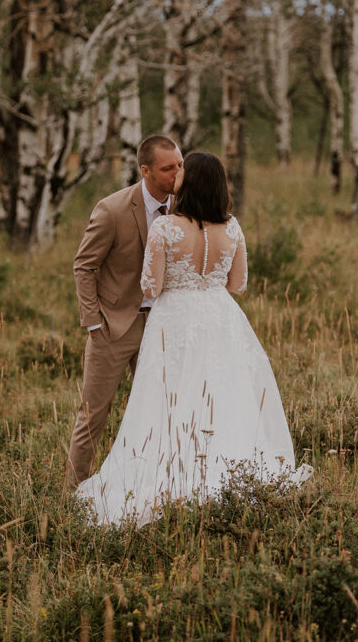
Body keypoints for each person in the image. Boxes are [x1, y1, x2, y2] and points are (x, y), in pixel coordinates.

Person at [75, 151, 313, 525]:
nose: (177, 172)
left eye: (183, 169)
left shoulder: (166, 228)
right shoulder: (232, 228)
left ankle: (168, 479)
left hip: (174, 321)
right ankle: (229, 481)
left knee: (166, 402)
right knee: (223, 399)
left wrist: (176, 279)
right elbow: (239, 284)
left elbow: (150, 284)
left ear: (191, 181)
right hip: (221, 320)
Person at [66, 134, 184, 489]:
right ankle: (72, 492)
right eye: (168, 168)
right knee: (93, 416)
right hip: (113, 328)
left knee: (162, 411)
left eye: (180, 164)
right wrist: (92, 324)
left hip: (161, 326)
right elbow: (84, 267)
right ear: (145, 171)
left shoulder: (183, 207)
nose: (177, 173)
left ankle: (154, 487)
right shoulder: (112, 210)